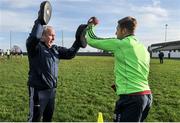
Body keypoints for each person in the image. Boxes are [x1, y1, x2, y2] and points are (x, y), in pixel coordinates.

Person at [85, 16, 152, 122]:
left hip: (131, 98)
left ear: (124, 30)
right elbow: (139, 70)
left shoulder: (122, 44)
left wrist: (90, 26)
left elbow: (92, 40)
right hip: (146, 97)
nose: (116, 33)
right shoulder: (142, 47)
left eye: (117, 30)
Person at [26, 4, 86, 122]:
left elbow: (70, 54)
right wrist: (40, 20)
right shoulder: (35, 48)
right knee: (35, 119)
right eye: (51, 35)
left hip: (51, 91)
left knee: (48, 119)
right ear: (42, 36)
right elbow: (33, 38)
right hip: (38, 91)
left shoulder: (55, 49)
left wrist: (78, 40)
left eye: (54, 35)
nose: (53, 38)